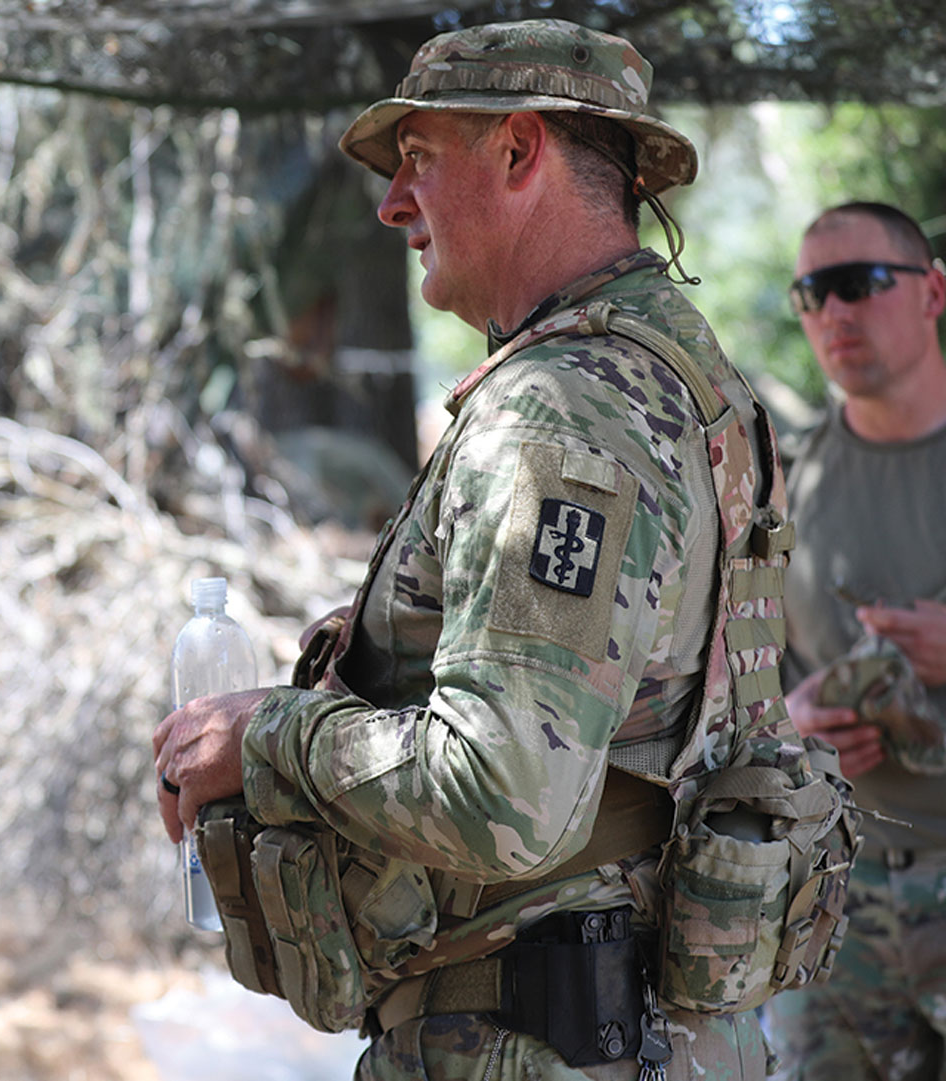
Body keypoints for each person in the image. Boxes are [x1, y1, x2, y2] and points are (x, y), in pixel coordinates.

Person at [154, 19, 813, 1080]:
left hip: (534, 1035)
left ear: (518, 151)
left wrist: (268, 739)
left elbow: (502, 789)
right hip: (647, 1031)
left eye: (419, 158)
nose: (391, 203)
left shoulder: (560, 413)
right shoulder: (685, 387)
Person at [766, 202, 946, 1080]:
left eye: (861, 284)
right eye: (811, 293)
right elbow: (724, 686)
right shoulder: (779, 483)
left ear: (933, 291)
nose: (834, 313)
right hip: (834, 902)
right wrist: (788, 718)